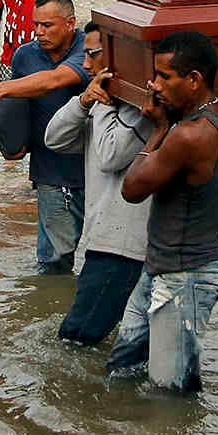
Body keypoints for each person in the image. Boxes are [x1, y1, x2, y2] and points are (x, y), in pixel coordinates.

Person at [106, 31, 218, 393]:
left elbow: (132, 189)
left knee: (170, 393)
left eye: (164, 77)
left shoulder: (189, 135)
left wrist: (158, 129)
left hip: (184, 275)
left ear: (194, 79)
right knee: (122, 369)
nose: (155, 86)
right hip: (165, 266)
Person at [0, 0, 90, 275]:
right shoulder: (25, 55)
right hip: (51, 170)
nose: (39, 32)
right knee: (53, 262)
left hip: (96, 170)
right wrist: (12, 144)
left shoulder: (89, 50)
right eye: (36, 24)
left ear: (70, 23)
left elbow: (54, 80)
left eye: (48, 25)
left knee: (103, 257)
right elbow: (17, 107)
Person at [43, 21, 156, 345]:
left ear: (121, 58)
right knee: (108, 339)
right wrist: (83, 102)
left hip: (122, 247)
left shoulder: (142, 110)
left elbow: (110, 155)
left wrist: (102, 104)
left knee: (76, 339)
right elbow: (55, 139)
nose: (86, 64)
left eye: (93, 55)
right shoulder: (107, 105)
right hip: (101, 239)